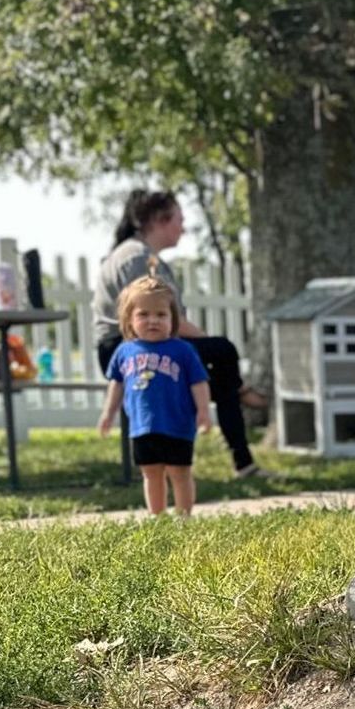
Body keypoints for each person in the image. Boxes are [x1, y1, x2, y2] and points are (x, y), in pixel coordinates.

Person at [92, 189, 269, 479]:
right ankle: (242, 441)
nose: (183, 228)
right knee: (222, 351)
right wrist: (204, 339)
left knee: (221, 371)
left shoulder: (134, 254)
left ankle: (241, 443)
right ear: (160, 221)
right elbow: (158, 316)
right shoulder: (139, 258)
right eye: (179, 219)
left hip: (136, 346)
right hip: (127, 349)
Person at [98, 277, 211, 515]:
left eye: (161, 315)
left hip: (178, 424)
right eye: (143, 314)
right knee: (151, 473)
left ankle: (184, 519)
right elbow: (116, 384)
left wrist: (203, 411)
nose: (153, 320)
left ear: (173, 319)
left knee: (179, 472)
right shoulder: (125, 351)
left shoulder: (183, 350)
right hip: (142, 426)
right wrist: (108, 413)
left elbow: (198, 382)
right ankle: (157, 519)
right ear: (129, 319)